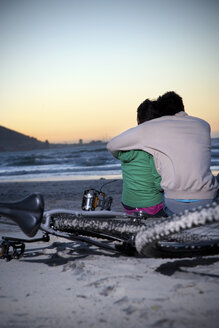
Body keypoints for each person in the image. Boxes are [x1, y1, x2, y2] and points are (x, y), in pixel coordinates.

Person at [107, 91, 218, 215]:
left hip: (172, 204)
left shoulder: (153, 127)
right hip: (207, 200)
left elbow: (112, 145)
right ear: (182, 107)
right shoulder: (204, 125)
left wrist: (120, 155)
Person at [117, 100, 165, 216]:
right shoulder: (152, 147)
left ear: (138, 120)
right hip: (151, 206)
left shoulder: (125, 146)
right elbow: (159, 185)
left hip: (128, 204)